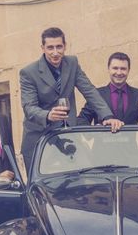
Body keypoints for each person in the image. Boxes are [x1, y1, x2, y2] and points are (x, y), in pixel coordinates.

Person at [19, 27, 123, 172]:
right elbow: (29, 108)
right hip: (39, 139)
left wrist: (107, 116)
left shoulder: (72, 63)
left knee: (77, 182)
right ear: (42, 48)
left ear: (65, 46)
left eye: (59, 47)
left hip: (67, 136)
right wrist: (48, 115)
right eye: (50, 48)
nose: (55, 52)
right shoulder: (28, 72)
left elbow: (90, 91)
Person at [77, 52, 138, 125]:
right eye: (115, 68)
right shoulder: (96, 94)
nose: (119, 73)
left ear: (129, 70)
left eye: (123, 69)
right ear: (108, 69)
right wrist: (94, 131)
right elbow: (82, 120)